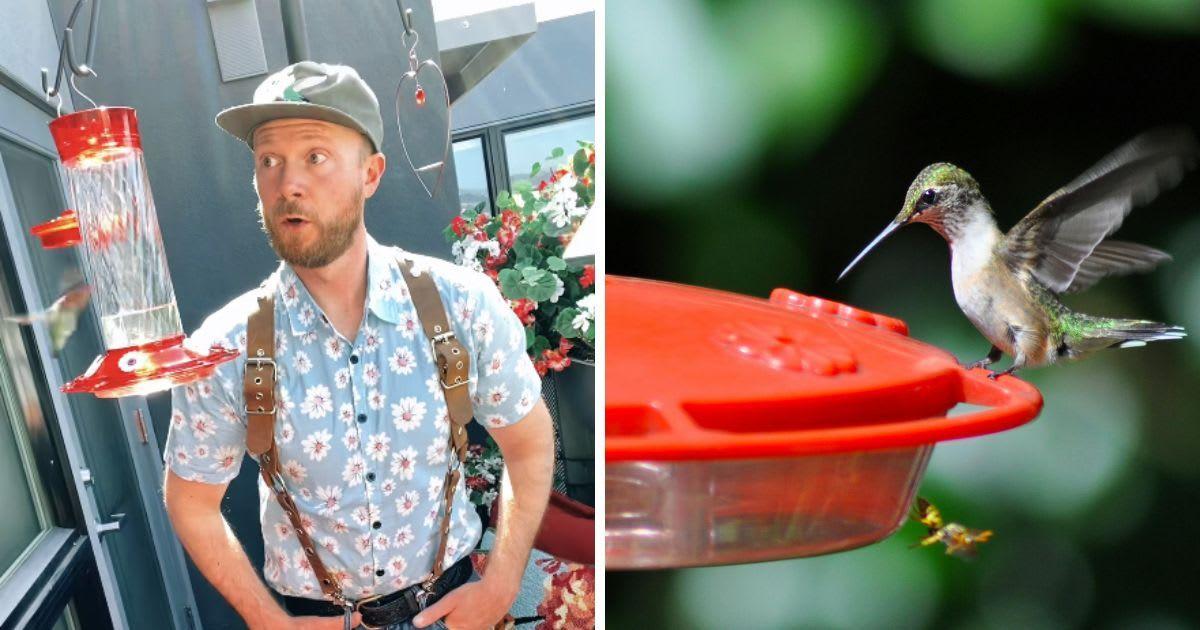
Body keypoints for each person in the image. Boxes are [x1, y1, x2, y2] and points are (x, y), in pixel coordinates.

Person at [162, 61, 554, 630]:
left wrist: (502, 581)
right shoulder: (226, 348)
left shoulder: (458, 303)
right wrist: (267, 622)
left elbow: (531, 443)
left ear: (370, 174)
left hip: (453, 610)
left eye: (315, 157)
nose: (287, 183)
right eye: (268, 160)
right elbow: (190, 500)